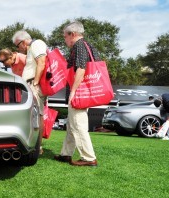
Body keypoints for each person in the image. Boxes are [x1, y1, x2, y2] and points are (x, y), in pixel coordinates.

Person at [54, 21, 99, 166]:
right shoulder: (88, 45)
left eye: (65, 36)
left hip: (79, 94)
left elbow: (81, 68)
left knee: (78, 125)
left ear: (72, 34)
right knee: (72, 124)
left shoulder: (79, 46)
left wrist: (73, 91)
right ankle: (66, 154)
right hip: (84, 93)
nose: (65, 39)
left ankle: (88, 158)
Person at [12, 30, 48, 152]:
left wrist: (35, 82)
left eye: (17, 45)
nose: (18, 49)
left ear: (22, 42)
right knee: (35, 115)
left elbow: (41, 62)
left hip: (34, 84)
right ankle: (35, 144)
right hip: (31, 84)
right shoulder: (32, 47)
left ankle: (38, 146)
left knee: (37, 116)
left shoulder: (36, 44)